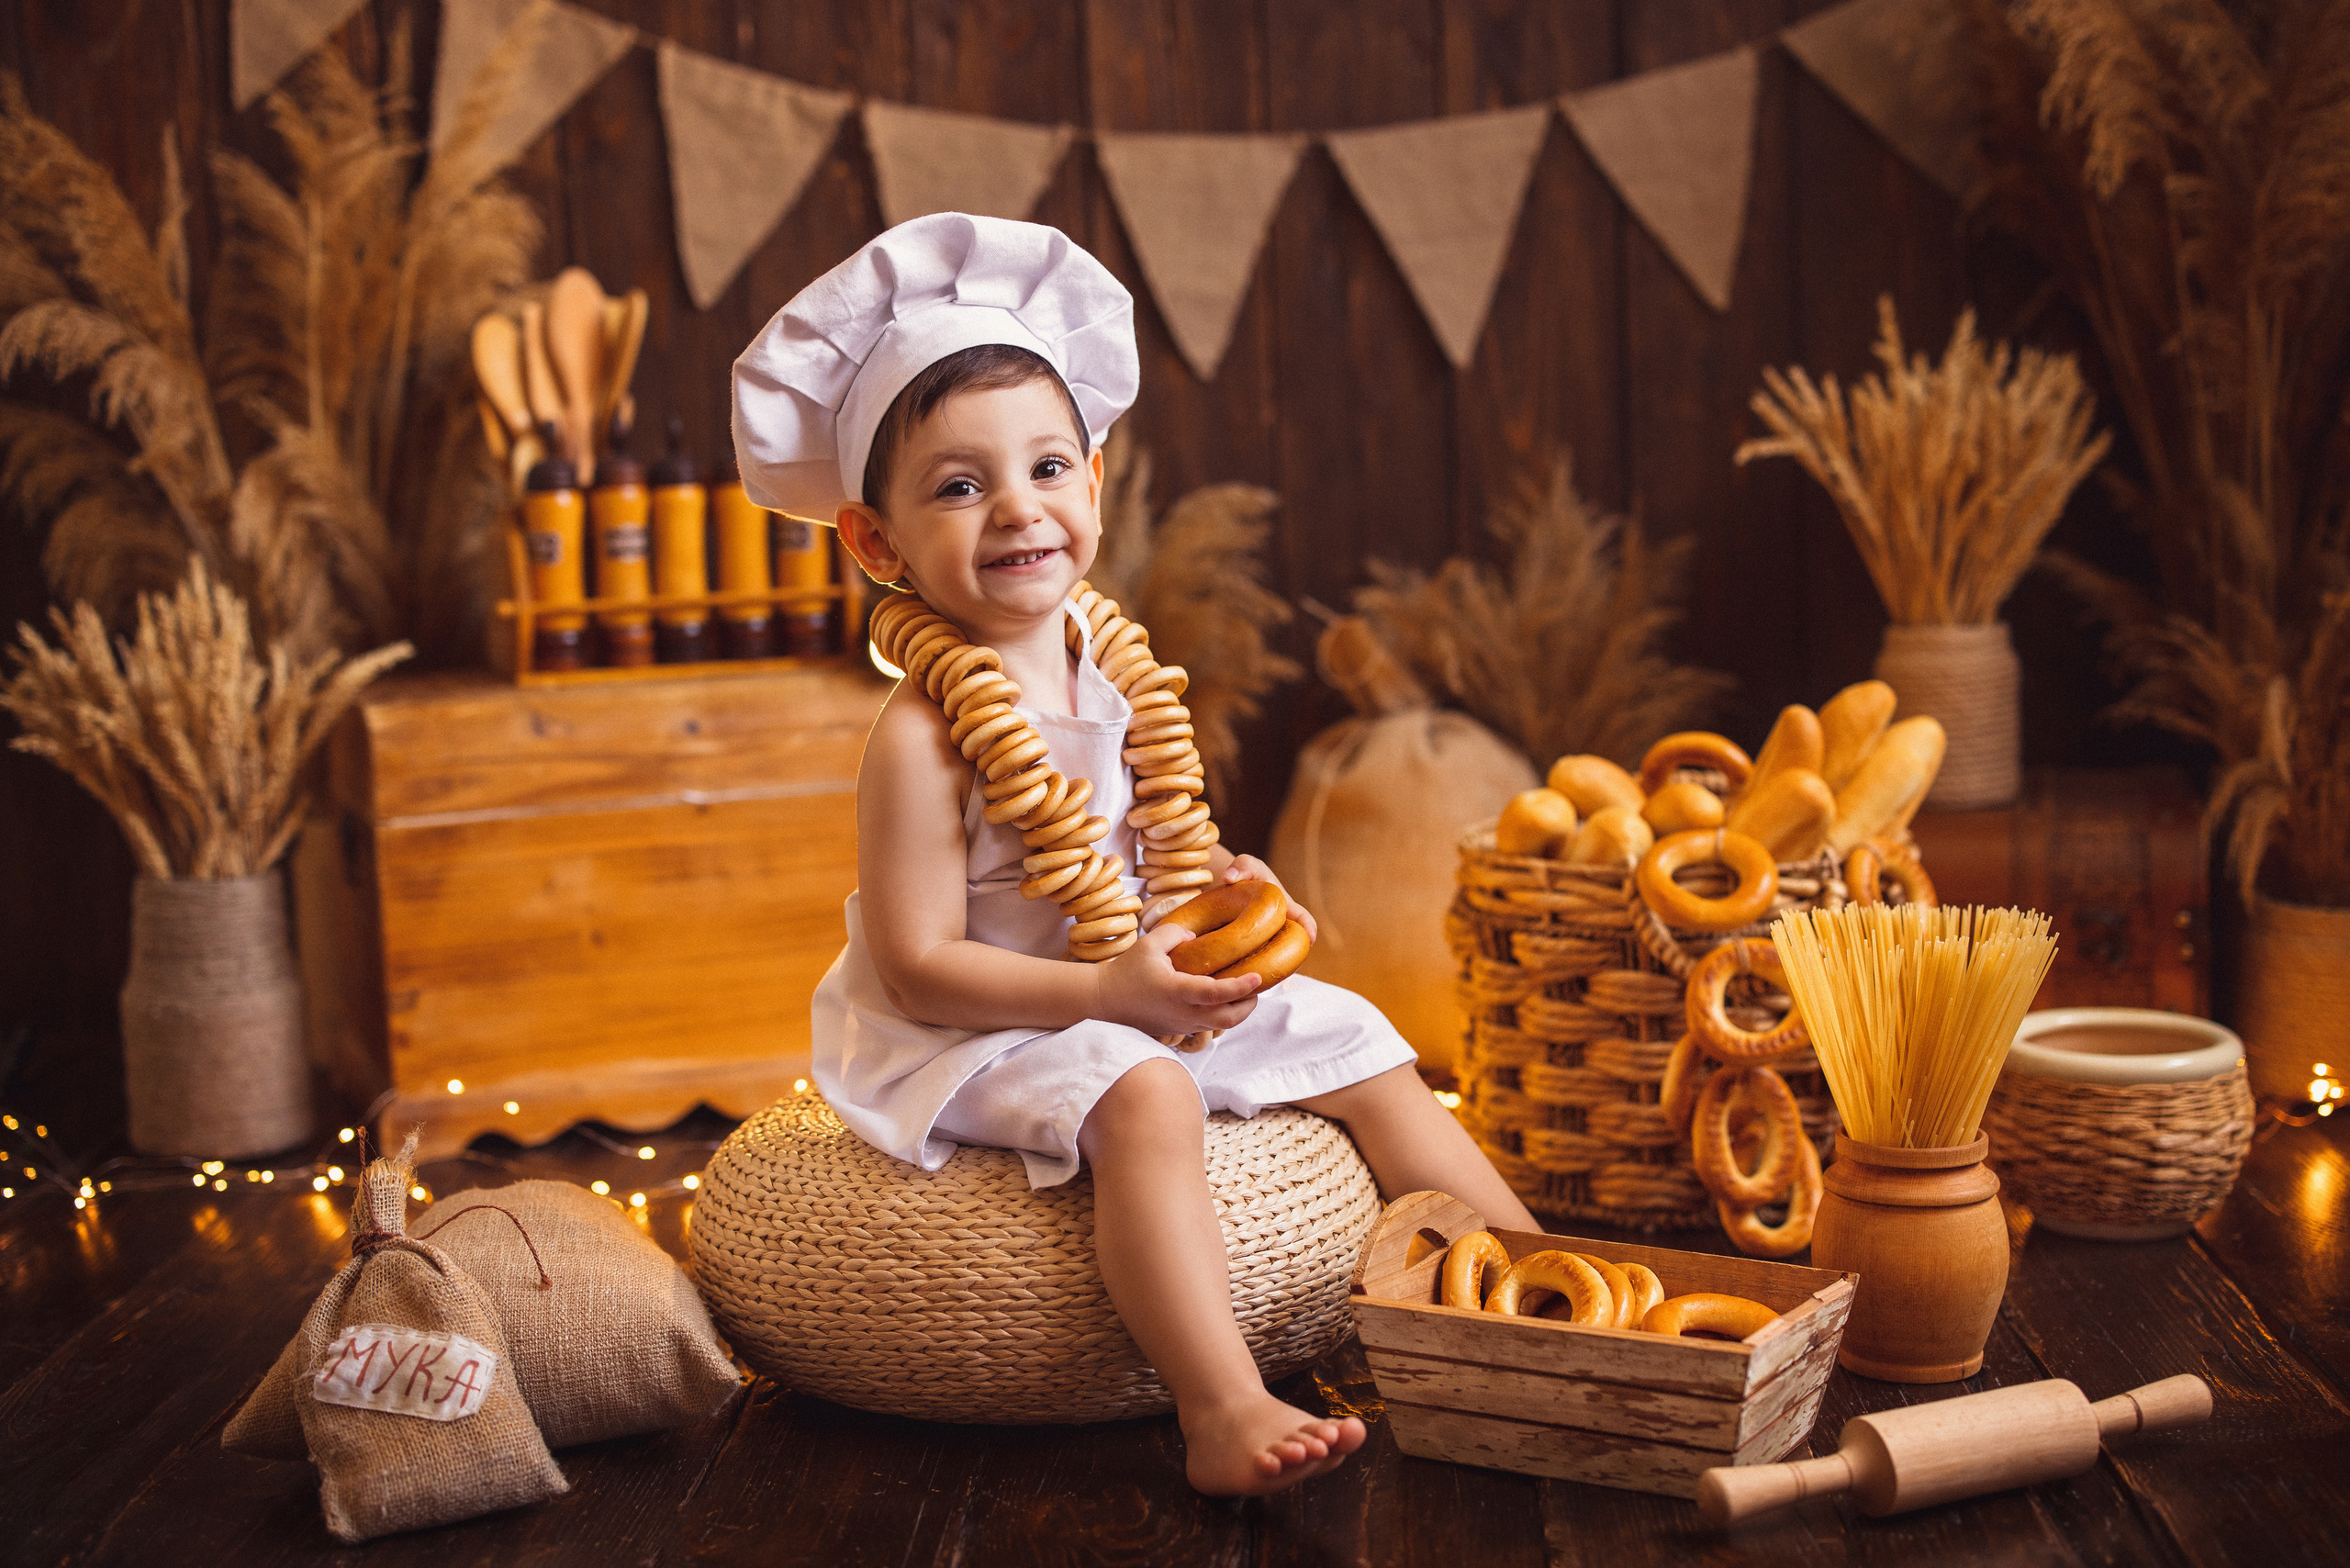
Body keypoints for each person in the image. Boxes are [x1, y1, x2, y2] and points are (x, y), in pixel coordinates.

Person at [733, 213, 1537, 1495]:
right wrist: (1109, 999)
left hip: (1133, 975)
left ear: (1096, 485)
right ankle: (1221, 1406)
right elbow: (919, 967)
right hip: (983, 1027)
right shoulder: (921, 734)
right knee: (1145, 1094)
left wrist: (1228, 892)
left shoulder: (1117, 666)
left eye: (1048, 466)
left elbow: (1158, 847)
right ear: (875, 545)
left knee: (1372, 1046)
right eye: (958, 485)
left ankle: (1540, 1296)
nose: (1017, 510)